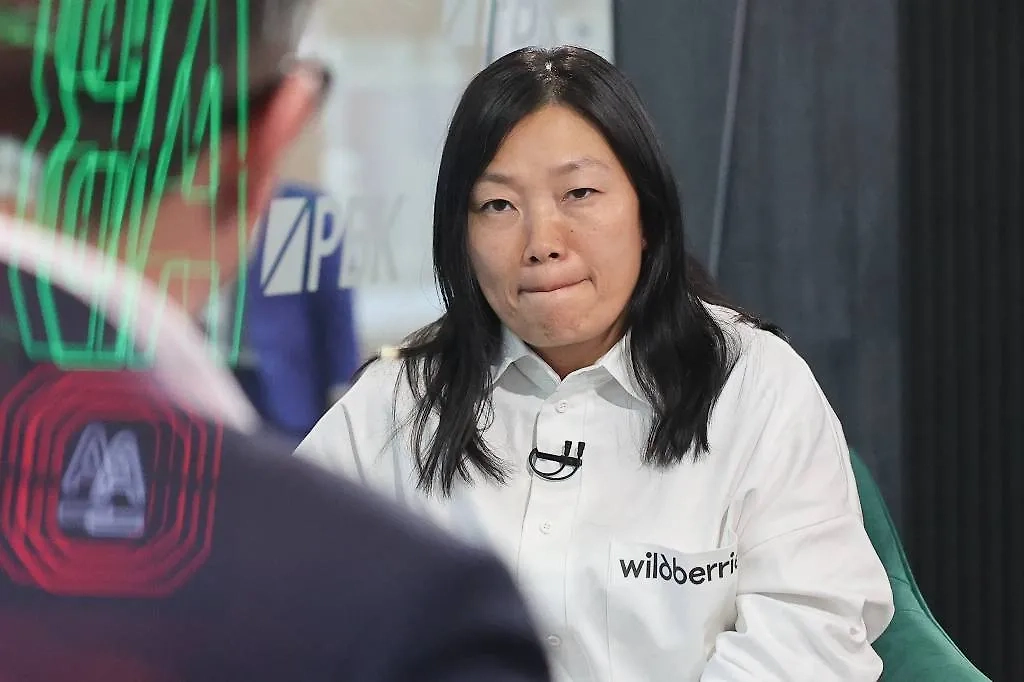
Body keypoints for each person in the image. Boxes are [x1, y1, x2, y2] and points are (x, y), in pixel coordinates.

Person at [297, 45, 896, 681]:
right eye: (498, 206)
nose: (542, 243)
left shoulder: (755, 386)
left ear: (646, 212)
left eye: (579, 193)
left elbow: (811, 639)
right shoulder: (397, 403)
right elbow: (281, 599)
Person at [0, 1, 551, 680]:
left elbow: (327, 336)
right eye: (498, 204)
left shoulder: (310, 223)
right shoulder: (399, 618)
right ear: (275, 130)